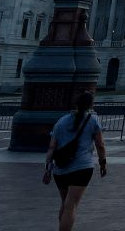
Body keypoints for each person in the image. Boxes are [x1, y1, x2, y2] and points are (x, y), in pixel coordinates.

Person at [44, 91, 107, 231]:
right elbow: (100, 144)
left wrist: (48, 168)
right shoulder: (93, 120)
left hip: (60, 169)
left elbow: (51, 147)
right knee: (71, 205)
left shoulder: (61, 121)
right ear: (91, 104)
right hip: (82, 168)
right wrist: (103, 163)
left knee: (65, 203)